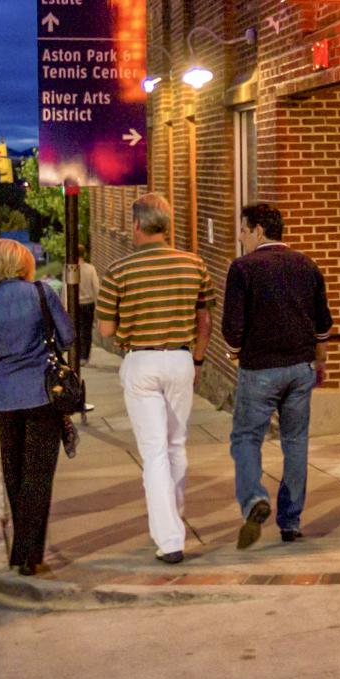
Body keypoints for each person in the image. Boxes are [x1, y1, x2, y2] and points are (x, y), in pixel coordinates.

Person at [95, 193, 212, 564]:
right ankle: (172, 518)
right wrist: (197, 359)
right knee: (176, 444)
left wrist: (131, 322)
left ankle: (170, 538)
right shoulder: (194, 265)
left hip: (141, 360)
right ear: (167, 225)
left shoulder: (119, 270)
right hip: (181, 358)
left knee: (154, 451)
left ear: (136, 225)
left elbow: (106, 329)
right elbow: (204, 320)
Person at [222, 202, 332, 548]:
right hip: (301, 367)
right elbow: (323, 323)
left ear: (258, 231)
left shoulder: (243, 268)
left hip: (260, 369)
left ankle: (254, 499)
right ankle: (291, 521)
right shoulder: (306, 265)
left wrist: (234, 352)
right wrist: (319, 361)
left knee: (246, 438)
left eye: (243, 230)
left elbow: (232, 327)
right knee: (295, 442)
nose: (240, 237)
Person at [0, 238, 74, 576]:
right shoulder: (41, 294)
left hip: (5, 397)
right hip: (42, 392)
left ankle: (22, 549)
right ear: (23, 263)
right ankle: (28, 553)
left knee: (14, 472)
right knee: (38, 475)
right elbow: (68, 336)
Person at [73, 248, 100, 366]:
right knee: (87, 330)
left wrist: (64, 305)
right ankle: (85, 356)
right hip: (89, 303)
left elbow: (65, 289)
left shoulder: (70, 268)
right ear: (84, 254)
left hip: (74, 304)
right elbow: (96, 287)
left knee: (76, 330)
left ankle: (77, 354)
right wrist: (98, 304)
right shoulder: (90, 268)